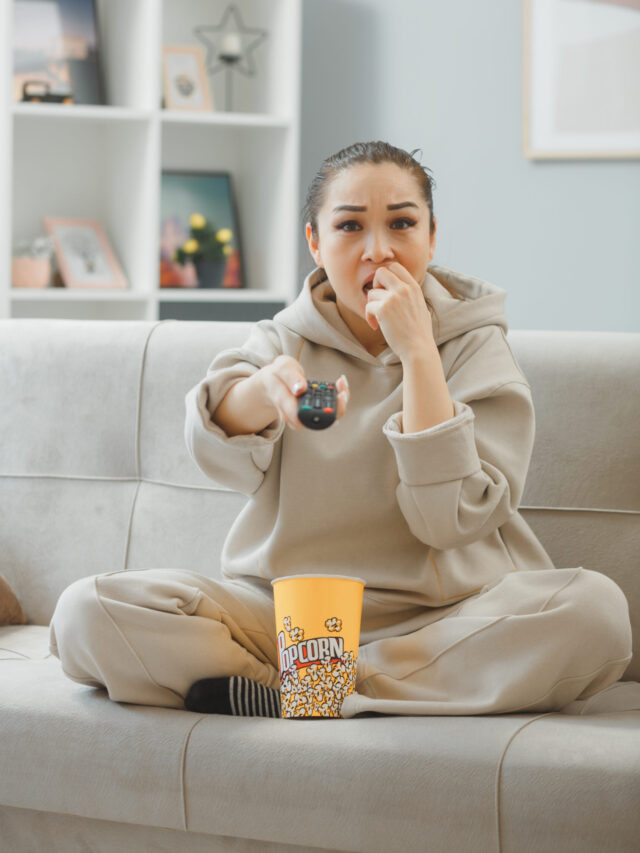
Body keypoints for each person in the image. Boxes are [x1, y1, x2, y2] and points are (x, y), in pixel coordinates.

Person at [49, 141, 633, 719]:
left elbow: (452, 519)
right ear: (316, 243)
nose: (379, 251)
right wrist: (263, 394)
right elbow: (220, 446)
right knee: (88, 611)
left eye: (402, 223)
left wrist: (419, 353)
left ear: (431, 236)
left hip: (448, 617)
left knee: (595, 614)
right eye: (350, 227)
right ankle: (285, 687)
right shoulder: (282, 339)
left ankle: (315, 691)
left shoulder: (476, 346)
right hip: (283, 615)